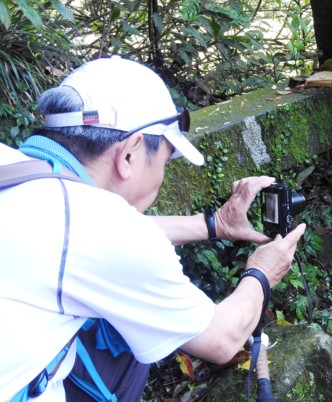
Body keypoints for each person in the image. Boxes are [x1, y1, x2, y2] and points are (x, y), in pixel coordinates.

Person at [0, 56, 306, 401]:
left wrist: (216, 224)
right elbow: (222, 339)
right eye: (164, 162)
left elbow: (90, 237)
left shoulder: (21, 172)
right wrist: (262, 273)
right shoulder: (101, 229)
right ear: (129, 155)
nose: (161, 176)